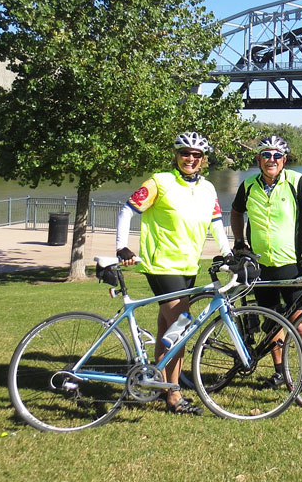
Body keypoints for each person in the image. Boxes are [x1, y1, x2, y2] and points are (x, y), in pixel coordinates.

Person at [115, 131, 231, 415]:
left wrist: (228, 254)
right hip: (161, 265)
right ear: (176, 155)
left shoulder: (208, 189)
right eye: (185, 153)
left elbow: (217, 223)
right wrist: (122, 248)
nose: (190, 159)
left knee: (166, 328)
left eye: (196, 155)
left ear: (203, 160)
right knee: (182, 325)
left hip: (188, 266)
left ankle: (155, 382)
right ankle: (174, 395)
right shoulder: (160, 181)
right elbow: (127, 210)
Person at [230, 135, 302, 401]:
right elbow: (235, 212)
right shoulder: (248, 185)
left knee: (301, 325)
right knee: (271, 322)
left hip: (291, 266)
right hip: (260, 267)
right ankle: (279, 372)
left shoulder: (296, 182)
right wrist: (240, 242)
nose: (271, 160)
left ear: (284, 160)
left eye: (277, 156)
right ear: (258, 159)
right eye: (266, 155)